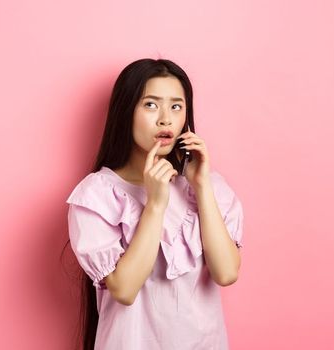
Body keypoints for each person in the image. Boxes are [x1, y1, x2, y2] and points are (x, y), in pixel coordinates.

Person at [65, 58, 244, 349]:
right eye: (151, 105)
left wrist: (201, 186)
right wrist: (156, 205)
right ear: (126, 112)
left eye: (176, 106)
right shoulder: (97, 195)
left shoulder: (211, 187)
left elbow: (226, 272)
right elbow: (124, 289)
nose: (165, 119)